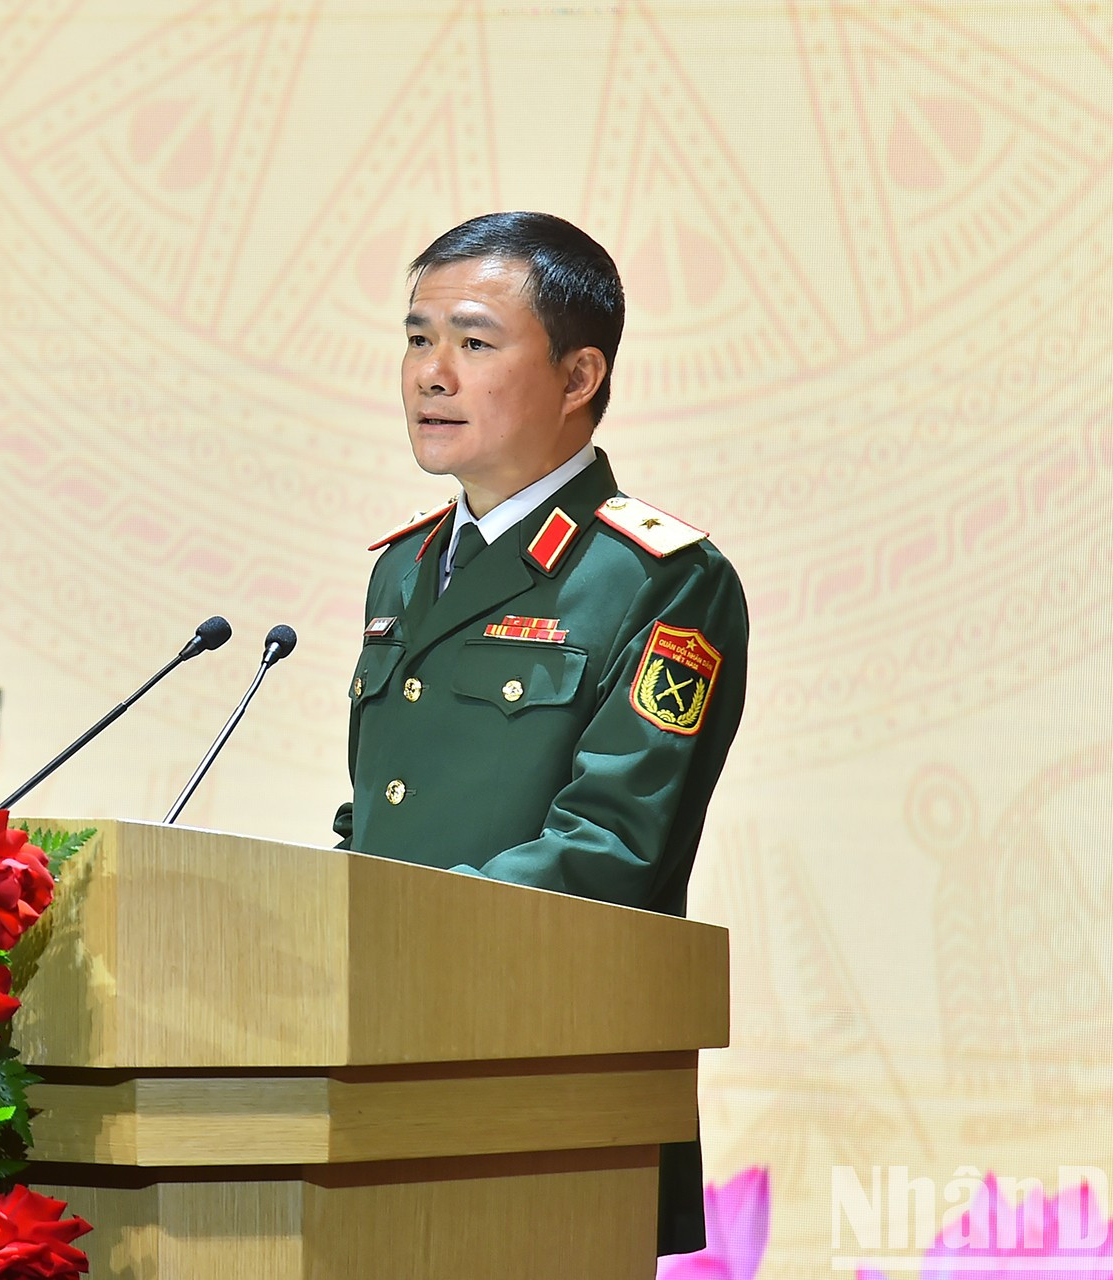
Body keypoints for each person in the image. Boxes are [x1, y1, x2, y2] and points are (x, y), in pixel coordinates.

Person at [332, 211, 749, 1258]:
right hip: (370, 1067)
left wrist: (386, 937)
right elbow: (380, 814)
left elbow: (610, 847)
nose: (431, 373)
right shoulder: (403, 568)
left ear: (578, 377)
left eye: (474, 343)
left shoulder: (662, 578)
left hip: (547, 1094)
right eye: (417, 337)